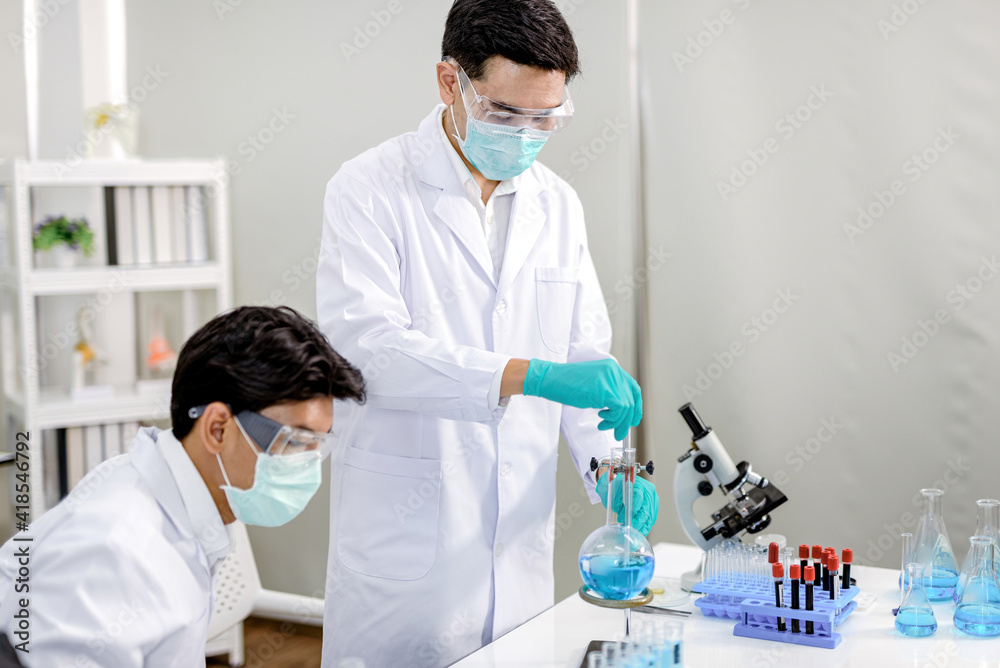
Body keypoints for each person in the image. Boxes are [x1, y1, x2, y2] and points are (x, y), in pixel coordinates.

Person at [316, 1, 659, 665]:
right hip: (406, 566)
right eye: (505, 114)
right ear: (451, 82)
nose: (525, 135)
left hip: (518, 559)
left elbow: (582, 360)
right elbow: (367, 351)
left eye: (545, 118)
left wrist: (608, 470)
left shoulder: (557, 204)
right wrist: (530, 375)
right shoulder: (369, 188)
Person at [0, 306, 365, 667]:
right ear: (217, 428)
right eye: (296, 441)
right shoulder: (114, 549)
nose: (309, 465)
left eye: (320, 444)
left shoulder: (188, 502)